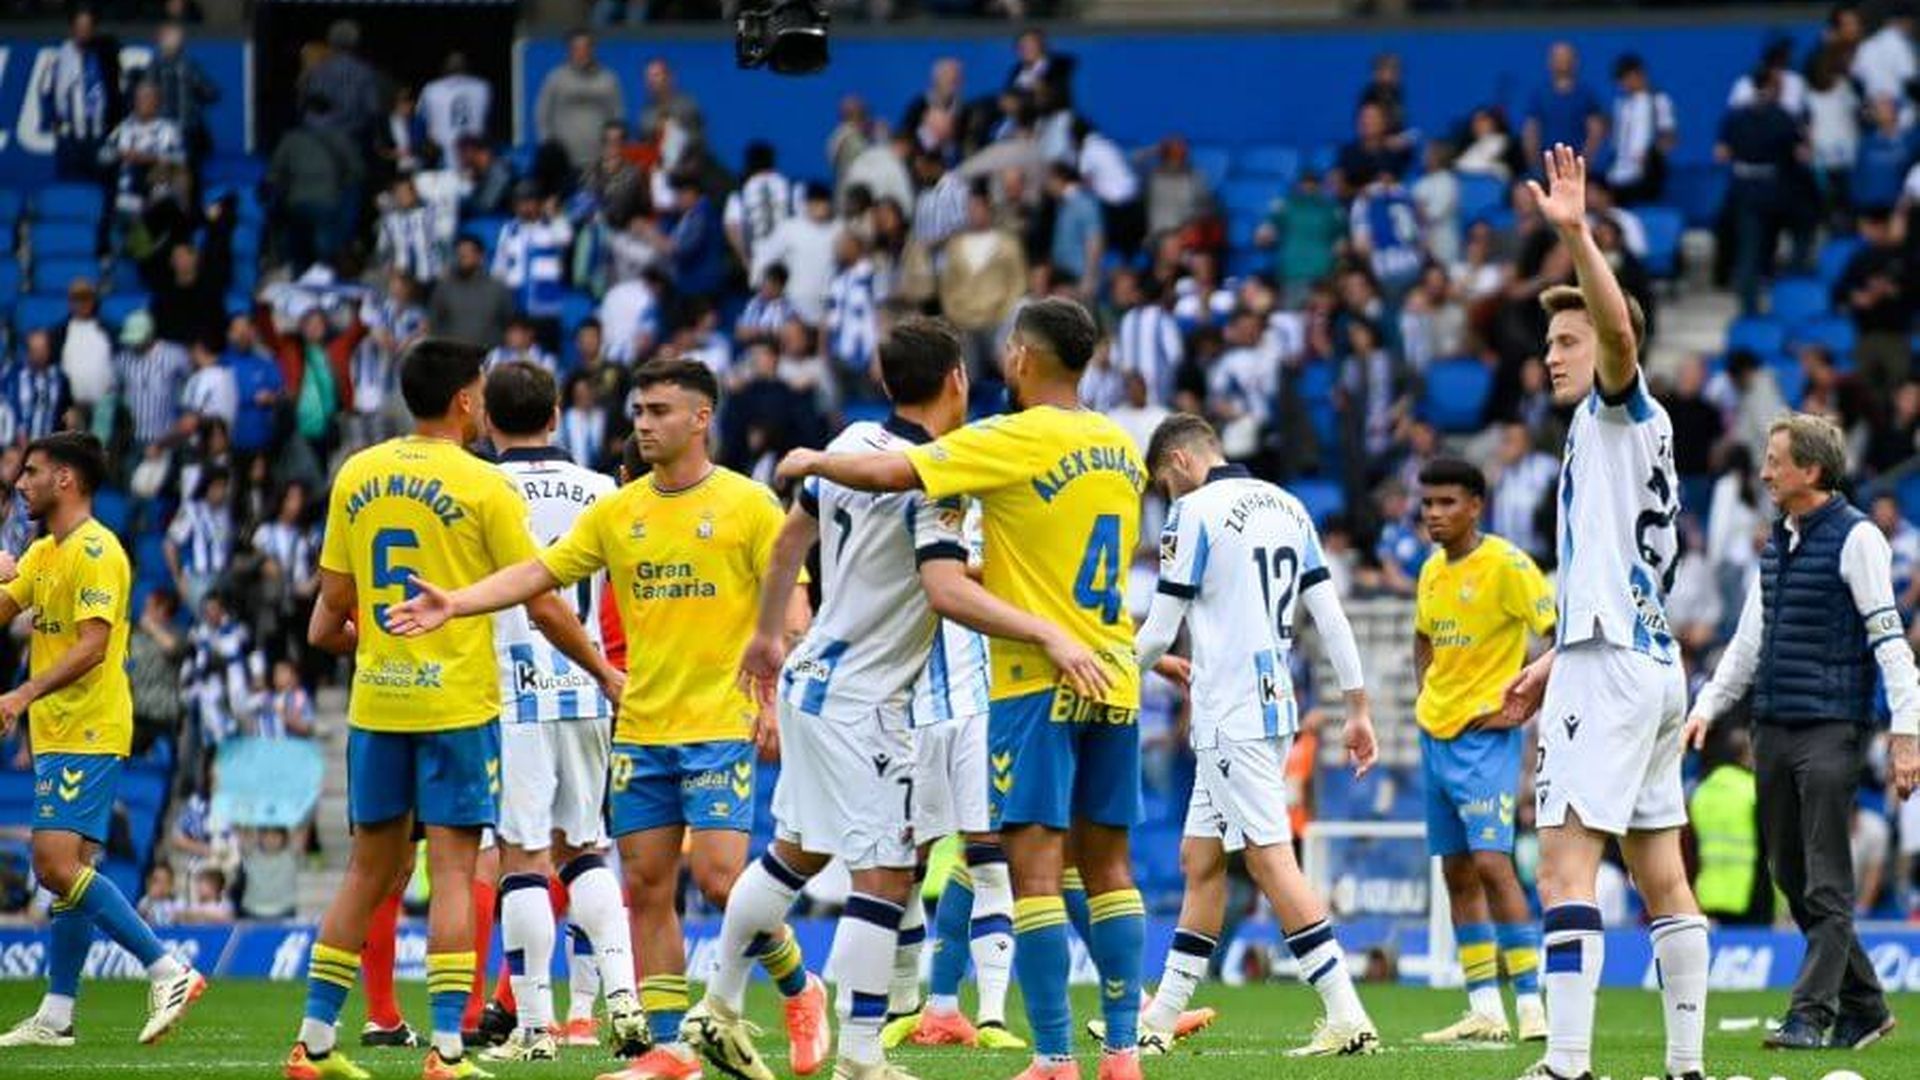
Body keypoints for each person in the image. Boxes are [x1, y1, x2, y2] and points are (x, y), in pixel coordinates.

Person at [385, 358, 826, 1080]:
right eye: (639, 412)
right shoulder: (619, 509)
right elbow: (540, 573)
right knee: (648, 889)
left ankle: (800, 986)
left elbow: (793, 598)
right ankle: (670, 1050)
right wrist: (457, 602)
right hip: (641, 725)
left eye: (659, 411)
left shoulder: (747, 503)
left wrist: (775, 684)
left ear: (701, 418)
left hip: (719, 721)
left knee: (721, 881)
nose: (643, 424)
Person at [771, 298, 1152, 1080]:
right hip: (1113, 670)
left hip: (1034, 680)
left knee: (1034, 876)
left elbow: (891, 470)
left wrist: (813, 460)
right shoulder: (1122, 447)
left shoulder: (1010, 436)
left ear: (1021, 357)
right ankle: (1122, 1053)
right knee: (1111, 871)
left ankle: (1054, 1057)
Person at [281, 339, 616, 1080]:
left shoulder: (357, 473)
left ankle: (313, 1043)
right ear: (466, 399)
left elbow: (330, 610)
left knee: (365, 873)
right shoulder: (483, 484)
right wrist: (603, 671)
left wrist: (377, 645)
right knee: (458, 873)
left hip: (377, 704)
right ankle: (448, 1049)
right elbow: (543, 603)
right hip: (457, 705)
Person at [685, 319, 1004, 1079]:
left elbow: (789, 541)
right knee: (885, 877)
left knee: (793, 855)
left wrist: (768, 635)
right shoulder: (937, 476)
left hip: (812, 680)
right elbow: (945, 589)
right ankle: (861, 1059)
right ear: (957, 379)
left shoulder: (853, 442)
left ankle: (718, 1007)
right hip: (867, 702)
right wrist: (1043, 623)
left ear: (885, 380)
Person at [1501, 145, 1708, 1080]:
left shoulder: (1619, 412)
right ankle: (1686, 1066)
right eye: (1549, 344)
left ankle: (1568, 1064)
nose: (1552, 355)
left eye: (1567, 341)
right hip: (1650, 662)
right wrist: (1551, 659)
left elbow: (1620, 338)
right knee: (1661, 873)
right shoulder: (1621, 436)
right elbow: (1620, 571)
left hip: (1614, 666)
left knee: (1563, 866)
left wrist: (1578, 234)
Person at [1130, 413, 1381, 1058]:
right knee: (1201, 861)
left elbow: (1158, 631)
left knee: (1271, 861)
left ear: (1180, 462)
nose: (1167, 497)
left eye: (1164, 485)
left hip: (1229, 711)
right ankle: (1160, 1020)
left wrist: (1109, 674)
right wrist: (1357, 707)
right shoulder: (1289, 505)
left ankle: (1348, 1016)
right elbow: (1330, 615)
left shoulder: (1193, 513)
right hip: (1273, 705)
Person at [1683, 413, 1920, 1051]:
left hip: (1832, 728)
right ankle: (1866, 1006)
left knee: (1825, 877)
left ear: (1810, 470)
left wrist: (1907, 733)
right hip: (1772, 725)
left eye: (1774, 461)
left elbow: (1890, 641)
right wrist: (1707, 706)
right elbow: (1747, 642)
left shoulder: (1859, 538)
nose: (1763, 472)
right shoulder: (1775, 544)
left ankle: (1810, 1015)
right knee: (1789, 873)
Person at [460, 361, 645, 1063]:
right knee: (585, 848)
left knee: (524, 858)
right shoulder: (602, 488)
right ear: (557, 414)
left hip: (509, 689)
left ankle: (536, 1027)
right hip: (589, 683)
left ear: (486, 419)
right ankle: (623, 998)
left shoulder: (480, 488)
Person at [0, 434, 206, 1047]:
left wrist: (22, 693)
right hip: (60, 729)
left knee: (54, 864)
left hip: (88, 726)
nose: (21, 483)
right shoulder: (44, 553)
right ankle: (58, 1014)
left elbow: (93, 647)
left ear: (65, 479)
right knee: (70, 871)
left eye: (32, 472)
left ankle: (167, 968)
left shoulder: (97, 550)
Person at [1409, 459, 1554, 1045]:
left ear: (1476, 505)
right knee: (1456, 871)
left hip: (1486, 739)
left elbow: (1561, 636)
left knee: (1494, 864)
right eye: (1427, 503)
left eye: (1447, 502)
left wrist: (1525, 702)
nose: (1434, 514)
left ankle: (1532, 1004)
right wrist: (1425, 691)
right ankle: (1484, 1007)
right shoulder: (1430, 571)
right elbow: (1423, 636)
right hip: (1435, 734)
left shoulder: (1510, 566)